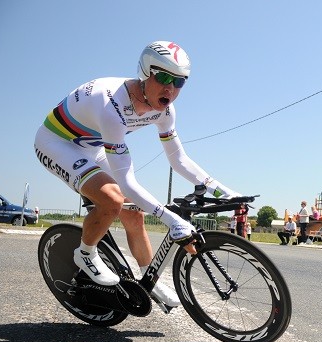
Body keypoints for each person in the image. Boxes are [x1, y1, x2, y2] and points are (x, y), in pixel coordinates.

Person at [33, 41, 240, 307]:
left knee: (134, 213)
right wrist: (171, 220)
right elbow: (127, 181)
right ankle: (85, 253)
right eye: (163, 77)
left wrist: (222, 190)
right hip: (56, 143)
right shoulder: (112, 104)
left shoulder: (165, 110)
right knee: (112, 199)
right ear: (145, 73)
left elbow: (178, 158)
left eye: (179, 82)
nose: (170, 89)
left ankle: (148, 280)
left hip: (92, 145)